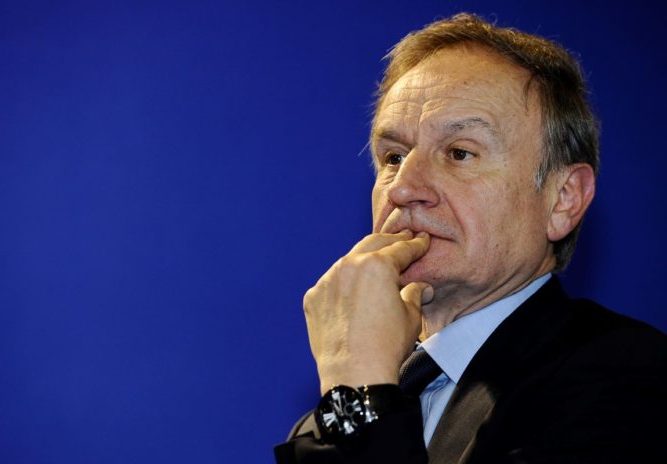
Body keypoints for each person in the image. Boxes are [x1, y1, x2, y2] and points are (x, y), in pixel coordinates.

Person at [274, 13, 666, 464]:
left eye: (459, 153)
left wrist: (357, 387)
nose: (403, 188)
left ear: (563, 200)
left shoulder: (630, 379)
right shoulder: (329, 419)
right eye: (393, 157)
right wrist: (357, 392)